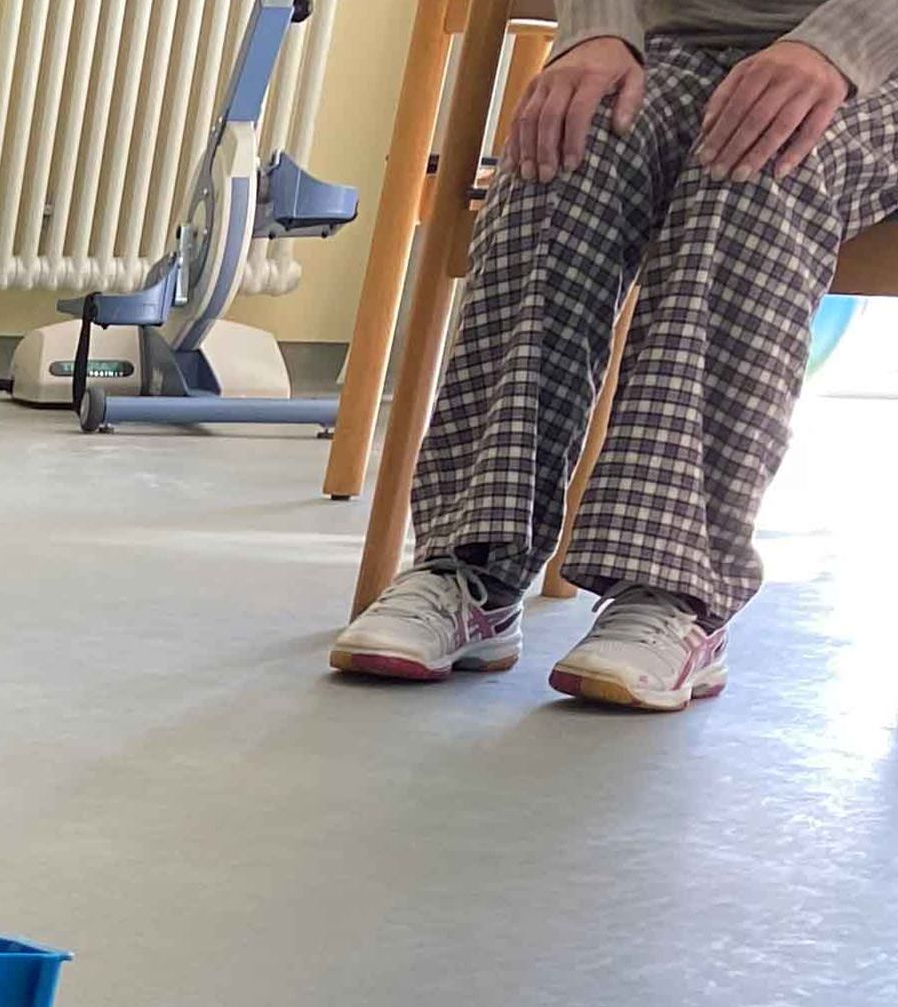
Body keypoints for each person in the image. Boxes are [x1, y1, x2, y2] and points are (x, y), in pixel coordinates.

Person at [328, 1, 898, 711]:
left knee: (758, 168)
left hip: (878, 63)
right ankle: (470, 564)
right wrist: (595, 27)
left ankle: (673, 592)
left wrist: (840, 45)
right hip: (668, 36)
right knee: (565, 147)